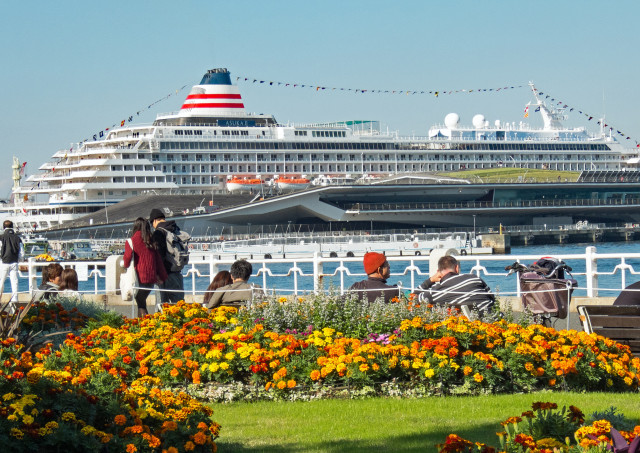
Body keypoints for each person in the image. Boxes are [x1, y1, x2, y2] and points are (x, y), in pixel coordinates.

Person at [413, 255, 495, 316]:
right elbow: (492, 297)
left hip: (463, 329)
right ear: (457, 268)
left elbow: (413, 298)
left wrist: (430, 280)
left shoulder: (435, 292)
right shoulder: (474, 278)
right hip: (492, 323)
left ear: (438, 271)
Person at [124, 217, 168, 317]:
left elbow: (127, 259)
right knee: (141, 301)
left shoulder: (131, 241)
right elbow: (158, 261)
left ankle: (145, 324)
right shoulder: (151, 240)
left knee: (140, 302)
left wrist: (125, 266)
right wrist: (162, 276)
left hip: (139, 277)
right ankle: (143, 324)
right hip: (151, 277)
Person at [150, 208, 185, 304]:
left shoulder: (158, 232)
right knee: (179, 305)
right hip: (177, 272)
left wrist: (157, 274)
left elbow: (158, 255)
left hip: (165, 274)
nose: (153, 226)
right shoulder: (174, 229)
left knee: (162, 305)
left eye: (152, 223)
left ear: (155, 220)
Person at [0, 220, 24, 303]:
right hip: (14, 262)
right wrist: (19, 260)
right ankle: (15, 300)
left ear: (4, 227)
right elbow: (22, 253)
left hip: (3, 262)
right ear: (12, 226)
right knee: (14, 281)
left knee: (1, 281)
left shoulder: (1, 237)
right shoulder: (17, 238)